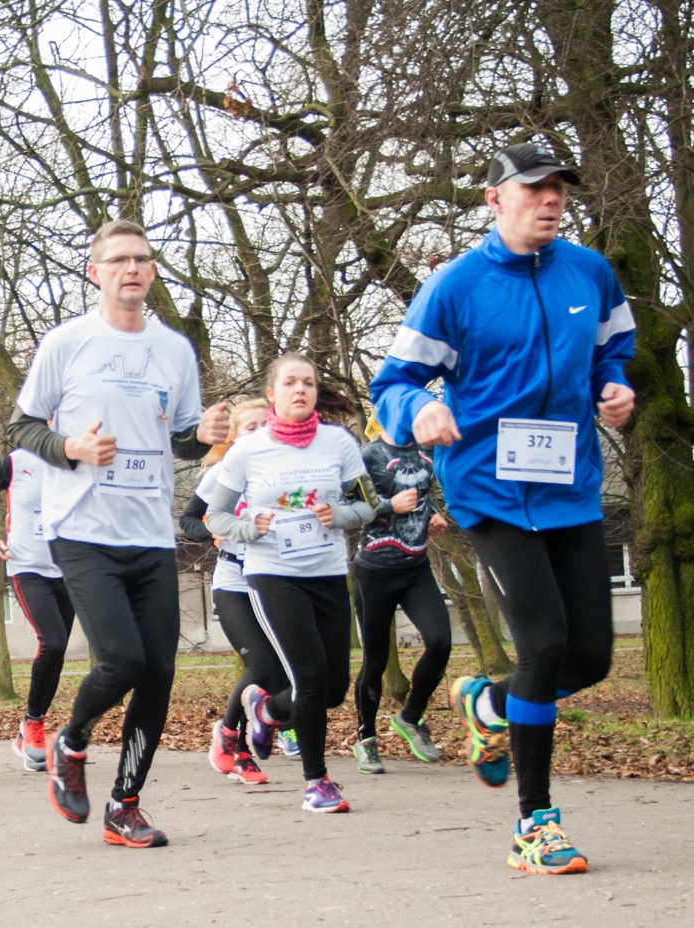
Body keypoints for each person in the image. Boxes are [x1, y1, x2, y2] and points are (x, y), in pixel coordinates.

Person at [371, 141, 635, 875]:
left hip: (569, 484)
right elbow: (393, 382)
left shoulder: (590, 272)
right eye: (533, 188)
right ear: (494, 199)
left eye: (559, 189)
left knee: (591, 658)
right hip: (488, 485)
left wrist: (615, 388)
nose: (550, 200)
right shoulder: (455, 286)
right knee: (544, 644)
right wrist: (420, 408)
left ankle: (487, 703)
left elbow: (612, 351)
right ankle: (534, 823)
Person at [9, 219, 229, 847]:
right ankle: (71, 741)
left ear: (152, 271)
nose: (132, 268)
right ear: (95, 272)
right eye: (119, 260)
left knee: (159, 671)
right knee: (123, 660)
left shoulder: (174, 350)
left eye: (142, 259)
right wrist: (70, 447)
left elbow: (181, 439)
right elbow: (22, 427)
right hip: (81, 528)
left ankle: (124, 806)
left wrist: (202, 436)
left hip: (150, 532)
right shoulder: (67, 342)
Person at [204, 356, 378, 813]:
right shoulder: (247, 451)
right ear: (272, 394)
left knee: (335, 689)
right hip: (273, 573)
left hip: (328, 571)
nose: (300, 389)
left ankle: (270, 710)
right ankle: (317, 783)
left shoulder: (338, 443)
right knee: (310, 676)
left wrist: (340, 515)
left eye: (308, 383)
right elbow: (215, 516)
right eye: (290, 382)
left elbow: (368, 506)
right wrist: (249, 527)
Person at [179, 398, 280, 786]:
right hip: (234, 581)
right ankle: (229, 739)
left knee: (288, 669)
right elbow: (190, 519)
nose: (259, 433)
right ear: (235, 436)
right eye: (251, 428)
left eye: (265, 425)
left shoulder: (285, 471)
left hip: (276, 579)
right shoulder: (222, 473)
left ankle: (271, 721)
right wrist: (215, 534)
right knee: (262, 665)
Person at [350, 420, 453, 772]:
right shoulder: (366, 456)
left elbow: (425, 496)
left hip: (415, 568)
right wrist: (388, 505)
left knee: (440, 643)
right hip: (373, 571)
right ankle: (366, 739)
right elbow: (346, 509)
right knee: (375, 661)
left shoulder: (428, 452)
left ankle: (410, 716)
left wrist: (434, 516)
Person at [0, 448, 72, 772]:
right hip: (27, 567)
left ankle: (31, 727)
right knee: (53, 642)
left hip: (69, 569)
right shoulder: (16, 461)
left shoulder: (80, 459)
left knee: (58, 651)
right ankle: (32, 723)